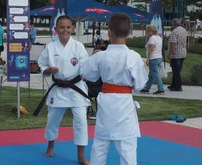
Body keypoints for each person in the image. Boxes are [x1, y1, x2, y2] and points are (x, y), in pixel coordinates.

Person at [81, 13, 147, 165]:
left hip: (106, 102)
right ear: (129, 32)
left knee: (100, 145)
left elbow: (86, 74)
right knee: (127, 147)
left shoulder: (100, 57)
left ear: (109, 32)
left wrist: (93, 57)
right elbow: (140, 85)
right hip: (124, 103)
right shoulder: (134, 57)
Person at [37, 15, 90, 165]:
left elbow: (85, 66)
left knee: (80, 121)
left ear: (72, 29)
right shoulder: (50, 47)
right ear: (55, 30)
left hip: (75, 87)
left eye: (68, 27)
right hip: (58, 88)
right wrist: (48, 70)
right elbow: (41, 65)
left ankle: (81, 155)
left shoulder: (78, 46)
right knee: (53, 119)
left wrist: (86, 74)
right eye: (62, 27)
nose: (65, 30)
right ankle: (50, 146)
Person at [140, 24, 164, 95]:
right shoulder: (159, 38)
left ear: (152, 31)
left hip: (153, 58)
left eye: (148, 30)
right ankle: (147, 88)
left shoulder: (152, 38)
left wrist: (148, 59)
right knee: (151, 75)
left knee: (155, 75)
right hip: (159, 57)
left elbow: (151, 49)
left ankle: (161, 89)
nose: (147, 32)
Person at [168, 18, 187, 92]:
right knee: (177, 70)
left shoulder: (174, 32)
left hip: (176, 54)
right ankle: (173, 84)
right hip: (183, 52)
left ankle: (178, 86)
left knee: (176, 71)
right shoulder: (183, 30)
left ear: (174, 24)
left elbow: (173, 44)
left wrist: (170, 54)